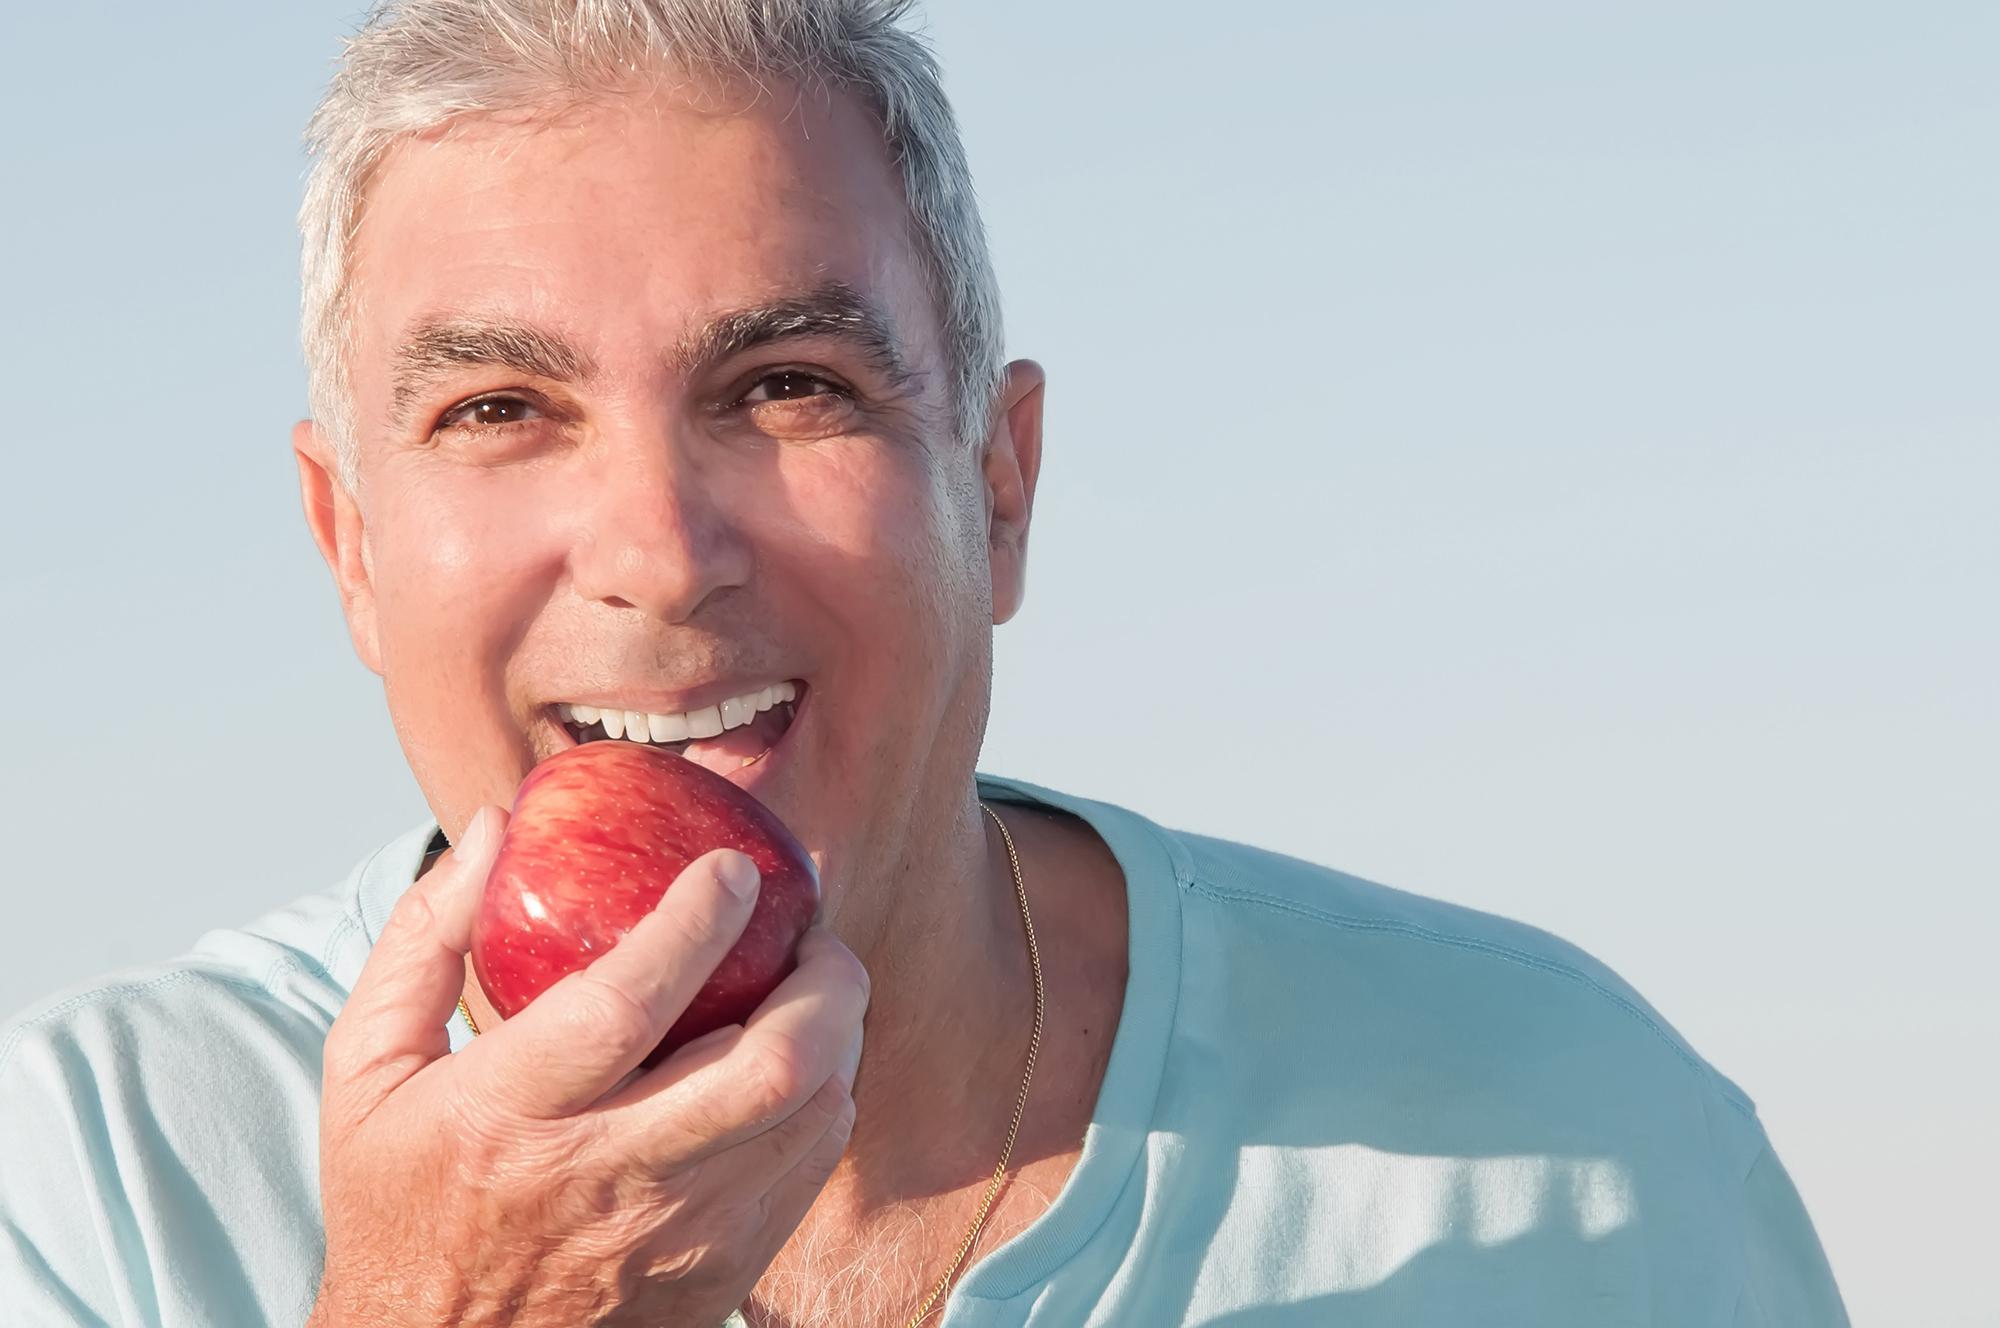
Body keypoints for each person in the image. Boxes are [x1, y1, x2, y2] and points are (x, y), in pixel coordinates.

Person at [0, 1, 1851, 1324]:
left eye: (787, 386)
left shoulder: (1573, 1149)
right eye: (500, 406)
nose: (656, 549)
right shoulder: (85, 1190)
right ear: (349, 549)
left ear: (1003, 486)